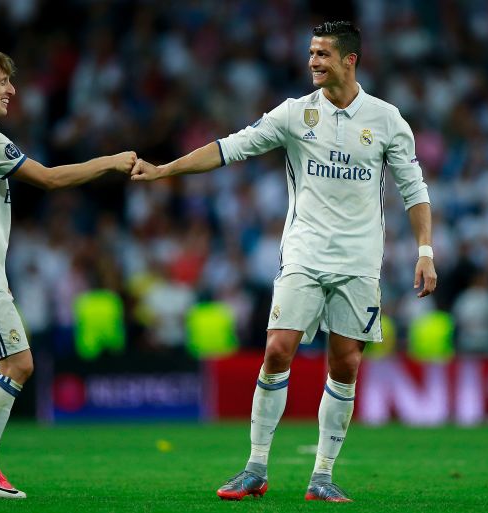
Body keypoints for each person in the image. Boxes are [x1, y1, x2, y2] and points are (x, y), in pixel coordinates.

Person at [131, 21, 437, 502]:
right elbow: (231, 147)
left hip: (359, 261)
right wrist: (166, 170)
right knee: (277, 348)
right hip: (304, 253)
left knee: (346, 362)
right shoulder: (296, 114)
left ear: (350, 60)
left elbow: (414, 190)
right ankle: (255, 467)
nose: (313, 61)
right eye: (311, 53)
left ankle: (322, 475)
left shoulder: (386, 119)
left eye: (323, 54)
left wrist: (425, 252)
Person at [0, 46, 136, 499]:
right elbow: (49, 179)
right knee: (19, 363)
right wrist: (108, 161)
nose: (11, 89)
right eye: (2, 81)